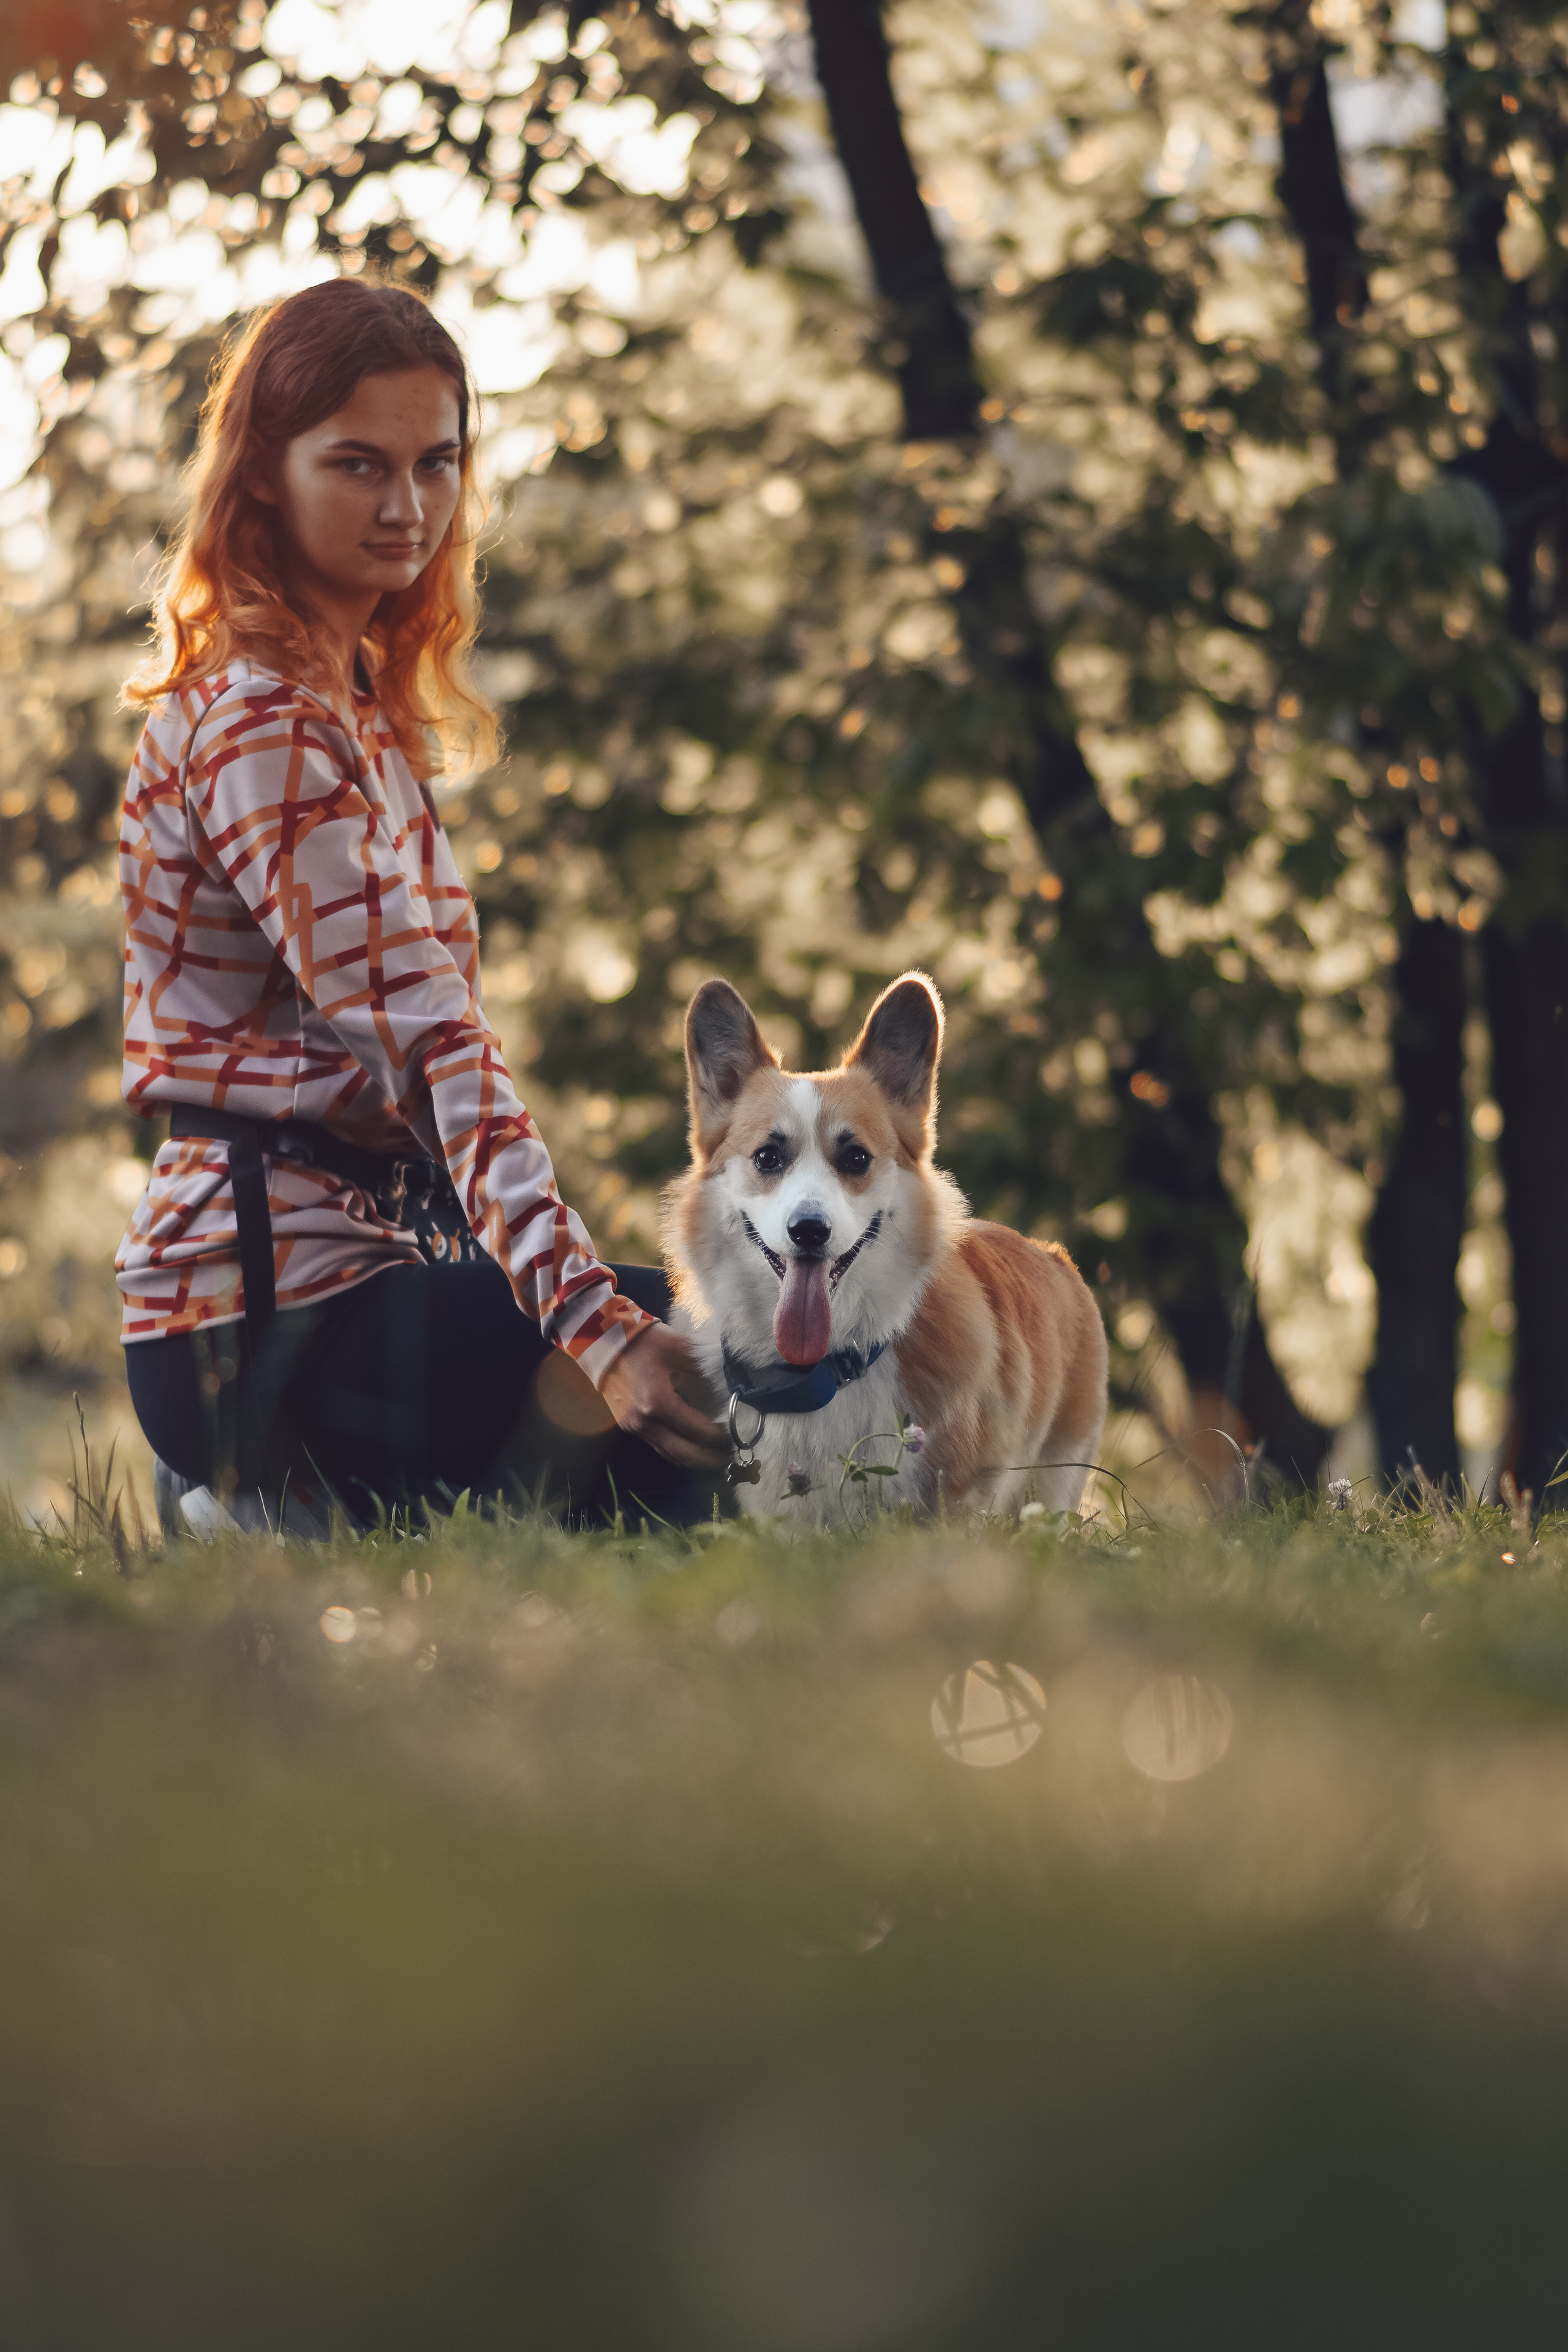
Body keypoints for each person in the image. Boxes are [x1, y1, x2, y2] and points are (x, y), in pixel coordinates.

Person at [115, 277, 729, 1536]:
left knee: (715, 1333)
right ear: (262, 476)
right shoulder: (265, 726)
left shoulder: (349, 707)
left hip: (354, 1273)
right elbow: (434, 1050)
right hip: (256, 1321)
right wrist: (592, 1332)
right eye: (357, 464)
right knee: (688, 1370)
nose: (407, 508)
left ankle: (297, 1524)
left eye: (435, 463)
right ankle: (260, 1507)